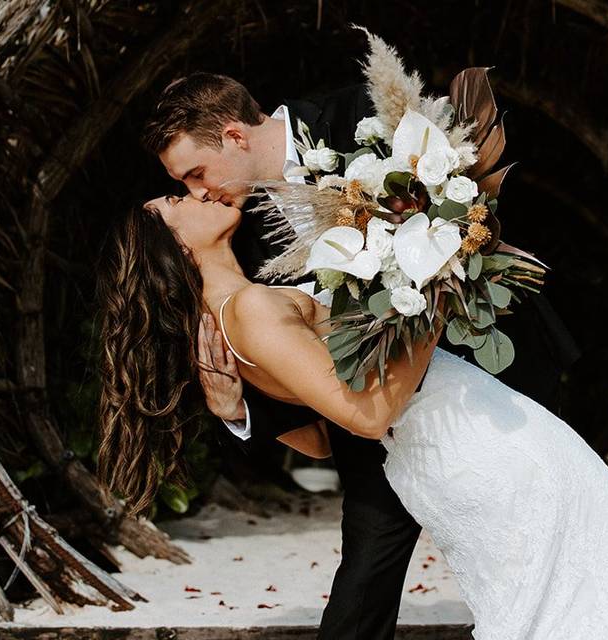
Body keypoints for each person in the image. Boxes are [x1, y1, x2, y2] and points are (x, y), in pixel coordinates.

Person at [95, 191, 608, 639]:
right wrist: (431, 291)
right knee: (582, 599)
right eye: (176, 202)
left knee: (559, 602)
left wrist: (237, 408)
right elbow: (368, 418)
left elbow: (324, 439)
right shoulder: (251, 311)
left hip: (455, 450)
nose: (195, 193)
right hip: (474, 443)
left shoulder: (241, 314)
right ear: (173, 246)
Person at [127, 72, 580, 639]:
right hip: (378, 413)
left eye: (197, 172)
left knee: (542, 547)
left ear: (235, 135)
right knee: (367, 571)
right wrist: (237, 411)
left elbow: (472, 195)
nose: (199, 191)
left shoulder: (365, 116)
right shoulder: (231, 230)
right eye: (183, 185)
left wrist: (439, 263)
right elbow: (280, 352)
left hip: (498, 372)